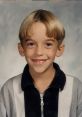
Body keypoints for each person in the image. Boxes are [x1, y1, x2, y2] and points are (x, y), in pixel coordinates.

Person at [0, 9, 82, 117]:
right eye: (31, 44)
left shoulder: (75, 88)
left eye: (48, 44)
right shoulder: (9, 89)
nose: (39, 52)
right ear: (21, 49)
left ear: (59, 49)